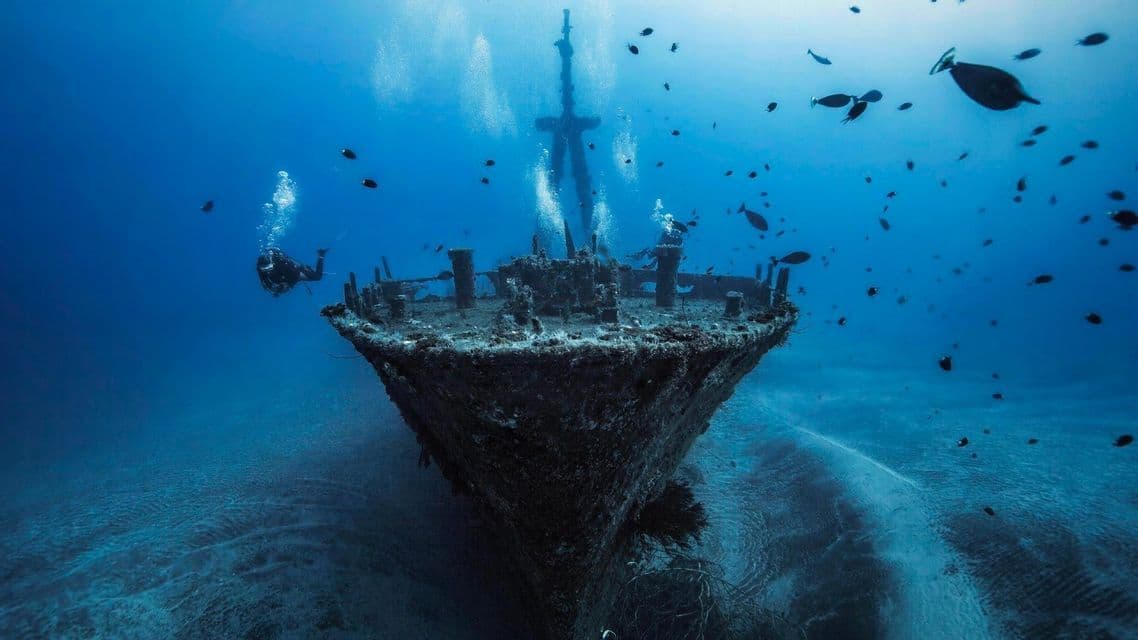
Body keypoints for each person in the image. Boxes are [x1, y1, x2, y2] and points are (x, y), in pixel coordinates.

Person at [256, 247, 326, 296]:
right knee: (279, 290)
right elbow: (265, 284)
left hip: (296, 271)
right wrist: (275, 290)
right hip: (280, 278)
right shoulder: (260, 269)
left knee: (318, 276)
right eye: (264, 269)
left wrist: (287, 285)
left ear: (272, 263)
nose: (267, 270)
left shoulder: (281, 262)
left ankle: (321, 255)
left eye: (269, 268)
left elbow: (296, 275)